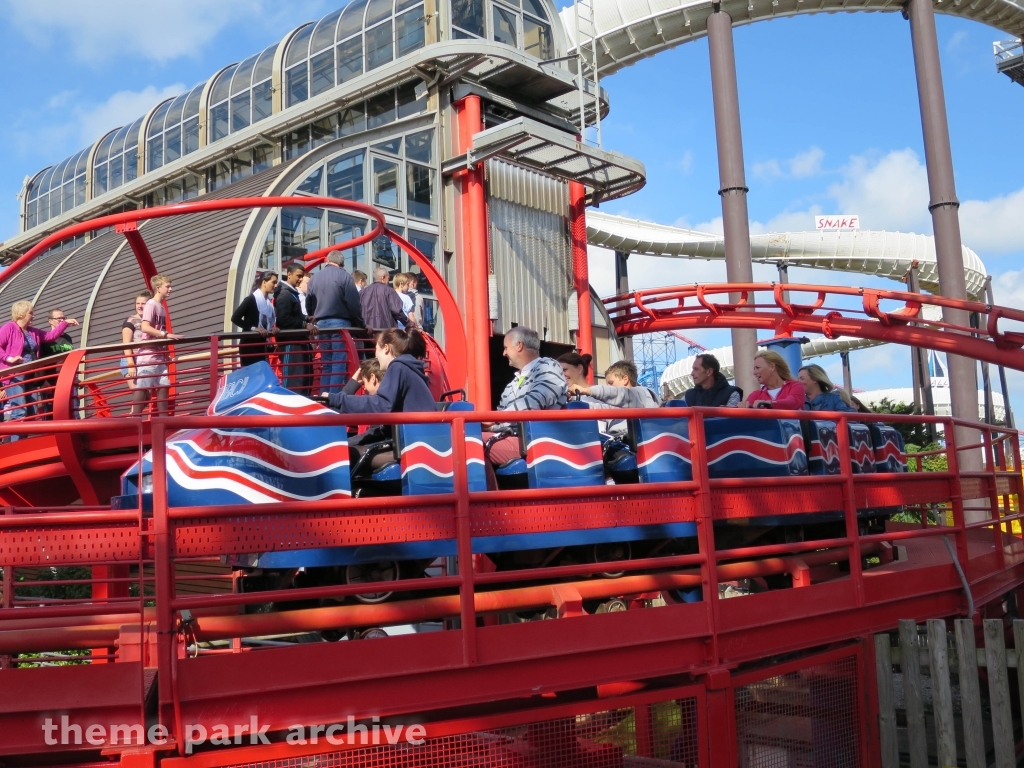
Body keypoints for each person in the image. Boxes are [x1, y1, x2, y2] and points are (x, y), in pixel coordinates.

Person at [321, 328, 434, 470]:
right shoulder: (410, 369)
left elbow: (381, 404)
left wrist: (336, 399)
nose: (375, 354)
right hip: (420, 444)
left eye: (376, 348)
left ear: (386, 348)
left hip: (413, 448)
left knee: (338, 455)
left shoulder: (398, 367)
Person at [485, 327, 568, 467]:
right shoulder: (512, 384)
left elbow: (537, 400)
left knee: (470, 444)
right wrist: (489, 426)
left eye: (506, 347)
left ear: (519, 346)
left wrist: (494, 419)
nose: (504, 353)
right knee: (470, 438)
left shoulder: (549, 365)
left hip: (538, 440)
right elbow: (503, 421)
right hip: (517, 438)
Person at [0, 300, 77, 436]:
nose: (33, 316)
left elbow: (49, 336)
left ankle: (25, 444)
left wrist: (64, 324)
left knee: (31, 412)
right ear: (21, 314)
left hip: (30, 375)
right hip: (14, 375)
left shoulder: (32, 331)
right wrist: (9, 358)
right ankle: (16, 447)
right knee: (20, 412)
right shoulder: (9, 328)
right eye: (31, 313)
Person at [307, 251, 363, 393]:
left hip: (321, 325)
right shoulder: (344, 276)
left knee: (327, 364)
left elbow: (309, 302)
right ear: (342, 264)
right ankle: (333, 399)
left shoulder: (314, 278)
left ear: (327, 261)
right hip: (340, 324)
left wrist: (313, 315)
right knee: (339, 363)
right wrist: (360, 324)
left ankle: (323, 398)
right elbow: (354, 304)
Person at [132, 275, 182, 417]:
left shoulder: (160, 306)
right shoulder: (151, 305)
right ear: (158, 288)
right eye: (168, 286)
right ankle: (136, 420)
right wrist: (165, 335)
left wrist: (166, 352)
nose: (170, 289)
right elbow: (145, 327)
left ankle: (163, 419)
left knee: (163, 386)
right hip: (148, 354)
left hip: (159, 354)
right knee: (143, 387)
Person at [568, 360, 660, 436]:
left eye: (611, 383)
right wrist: (573, 402)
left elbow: (619, 394)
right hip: (618, 442)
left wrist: (587, 390)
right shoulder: (622, 405)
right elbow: (603, 409)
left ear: (625, 379)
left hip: (632, 444)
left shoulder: (642, 394)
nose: (609, 386)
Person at [275, 265, 314, 393]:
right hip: (291, 344)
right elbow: (283, 319)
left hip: (295, 343)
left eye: (302, 276)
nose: (300, 279)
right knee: (295, 380)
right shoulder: (285, 294)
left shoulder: (289, 293)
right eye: (299, 276)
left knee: (301, 379)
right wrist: (304, 324)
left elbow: (291, 316)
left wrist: (307, 318)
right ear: (289, 274)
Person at [231, 271, 279, 368]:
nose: (276, 285)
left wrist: (272, 329)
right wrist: (254, 328)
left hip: (262, 346)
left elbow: (267, 325)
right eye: (273, 282)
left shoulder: (269, 304)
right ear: (264, 282)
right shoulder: (251, 299)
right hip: (249, 346)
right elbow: (235, 318)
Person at [740, 350, 806, 410]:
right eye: (754, 369)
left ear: (772, 367)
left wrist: (769, 404)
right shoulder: (756, 395)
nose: (754, 373)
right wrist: (742, 407)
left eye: (757, 368)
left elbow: (793, 402)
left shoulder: (795, 386)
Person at [360, 266, 410, 330]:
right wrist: (408, 322)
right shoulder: (389, 291)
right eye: (388, 278)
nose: (388, 281)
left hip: (366, 332)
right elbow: (397, 311)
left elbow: (357, 311)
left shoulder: (362, 292)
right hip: (385, 332)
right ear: (383, 277)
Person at [121, 290, 153, 391]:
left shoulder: (151, 321)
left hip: (146, 360)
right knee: (139, 395)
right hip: (132, 360)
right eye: (137, 303)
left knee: (146, 396)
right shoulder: (131, 321)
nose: (140, 306)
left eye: (143, 303)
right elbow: (126, 344)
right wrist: (131, 365)